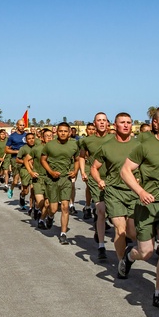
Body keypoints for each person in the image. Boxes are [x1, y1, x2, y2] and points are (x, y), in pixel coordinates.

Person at [118, 106, 159, 312]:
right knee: (146, 252)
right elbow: (125, 171)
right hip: (147, 205)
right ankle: (129, 256)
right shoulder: (144, 146)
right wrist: (140, 191)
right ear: (155, 123)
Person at [91, 113, 138, 271]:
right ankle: (122, 263)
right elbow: (94, 167)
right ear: (115, 125)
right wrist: (99, 180)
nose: (126, 125)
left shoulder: (139, 145)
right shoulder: (107, 147)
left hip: (134, 192)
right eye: (122, 122)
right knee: (120, 229)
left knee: (132, 232)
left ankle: (128, 254)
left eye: (128, 122)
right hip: (114, 191)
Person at [39, 122, 79, 244]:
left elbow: (77, 160)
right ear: (57, 132)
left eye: (65, 131)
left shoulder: (74, 145)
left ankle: (63, 234)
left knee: (65, 207)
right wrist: (51, 172)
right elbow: (43, 160)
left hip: (66, 179)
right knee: (53, 208)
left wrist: (75, 171)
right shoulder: (49, 145)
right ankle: (50, 216)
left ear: (69, 133)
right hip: (52, 179)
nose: (63, 133)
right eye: (60, 131)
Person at [79, 113, 111, 257]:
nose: (102, 123)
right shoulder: (87, 141)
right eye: (99, 120)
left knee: (109, 212)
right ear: (94, 123)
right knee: (101, 210)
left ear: (108, 123)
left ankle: (99, 225)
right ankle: (101, 246)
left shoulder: (114, 139)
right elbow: (81, 156)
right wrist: (82, 172)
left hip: (112, 178)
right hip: (95, 178)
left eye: (104, 120)